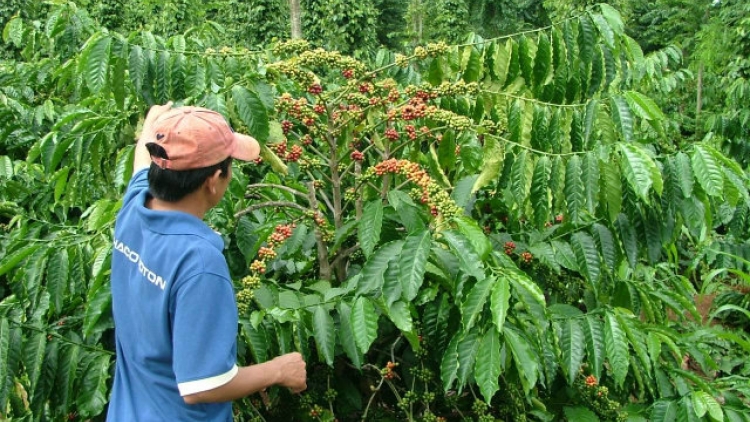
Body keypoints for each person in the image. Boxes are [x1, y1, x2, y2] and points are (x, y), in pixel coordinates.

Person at [107, 102, 307, 421]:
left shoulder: (134, 209)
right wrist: (280, 370)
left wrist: (153, 127)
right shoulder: (198, 262)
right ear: (214, 180)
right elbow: (201, 385)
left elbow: (141, 161)